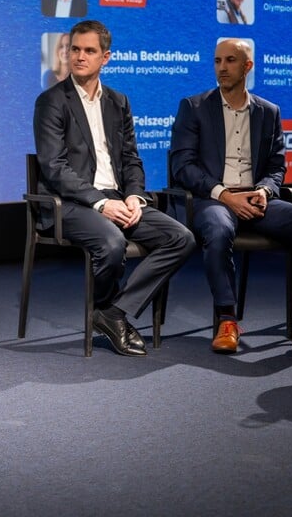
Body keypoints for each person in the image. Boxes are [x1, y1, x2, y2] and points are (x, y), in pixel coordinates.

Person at [170, 38, 292, 357]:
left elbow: (277, 166)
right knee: (218, 229)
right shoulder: (194, 107)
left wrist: (265, 191)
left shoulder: (269, 111)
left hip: (255, 199)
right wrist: (225, 195)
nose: (222, 68)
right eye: (217, 61)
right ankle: (227, 320)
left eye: (230, 61)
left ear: (247, 66)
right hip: (213, 199)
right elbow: (182, 166)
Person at [33, 20, 196, 356]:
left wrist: (135, 197)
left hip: (119, 198)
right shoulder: (51, 101)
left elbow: (131, 159)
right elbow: (54, 167)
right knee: (111, 243)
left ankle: (112, 313)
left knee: (181, 238)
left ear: (105, 57)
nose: (79, 56)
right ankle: (111, 313)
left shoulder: (118, 102)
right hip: (71, 202)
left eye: (89, 51)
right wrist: (100, 203)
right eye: (75, 49)